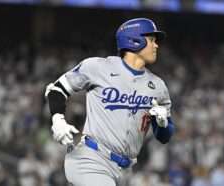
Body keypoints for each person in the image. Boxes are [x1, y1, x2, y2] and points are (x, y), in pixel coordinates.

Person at [44, 18, 175, 186]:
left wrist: (162, 123)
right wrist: (58, 119)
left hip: (125, 170)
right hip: (91, 159)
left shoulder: (158, 86)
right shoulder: (99, 67)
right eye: (151, 40)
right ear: (135, 40)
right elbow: (57, 89)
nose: (156, 46)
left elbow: (165, 137)